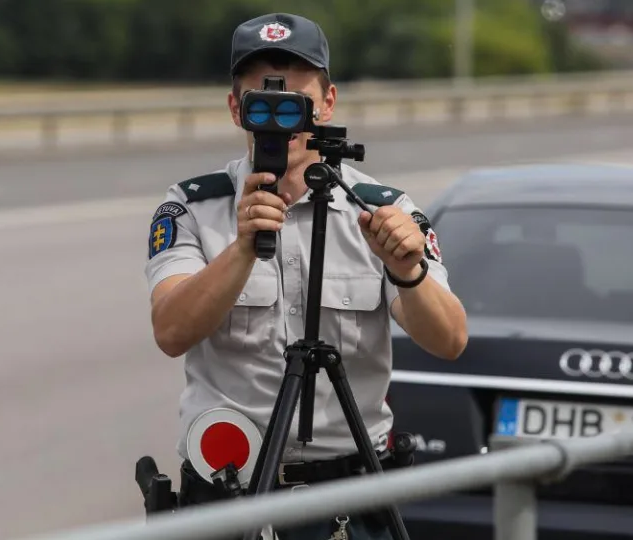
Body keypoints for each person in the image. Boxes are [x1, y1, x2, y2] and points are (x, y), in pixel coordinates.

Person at [144, 12, 468, 540]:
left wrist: (406, 271)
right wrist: (242, 250)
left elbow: (451, 340)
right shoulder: (191, 208)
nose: (281, 120)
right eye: (262, 104)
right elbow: (171, 331)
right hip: (229, 496)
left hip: (348, 497)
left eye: (296, 104)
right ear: (235, 109)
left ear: (328, 104)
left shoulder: (381, 210)